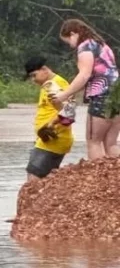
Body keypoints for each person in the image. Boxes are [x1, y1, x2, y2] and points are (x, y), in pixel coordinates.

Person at [51, 18, 120, 160]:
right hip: (117, 95)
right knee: (111, 143)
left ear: (73, 33)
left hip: (102, 97)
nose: (71, 46)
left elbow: (84, 75)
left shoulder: (85, 47)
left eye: (68, 41)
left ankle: (99, 180)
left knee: (93, 142)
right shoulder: (102, 45)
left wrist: (63, 95)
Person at [23, 55, 75, 181]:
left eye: (34, 75)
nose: (33, 80)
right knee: (43, 179)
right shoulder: (48, 85)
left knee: (34, 177)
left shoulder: (55, 85)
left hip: (53, 139)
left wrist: (50, 124)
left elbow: (69, 113)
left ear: (44, 70)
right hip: (47, 139)